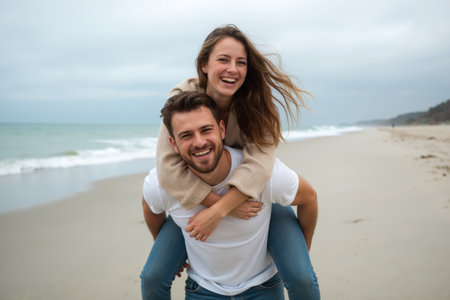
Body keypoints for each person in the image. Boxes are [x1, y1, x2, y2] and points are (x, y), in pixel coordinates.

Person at [141, 24, 320, 299]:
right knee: (152, 277)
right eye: (223, 59)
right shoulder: (182, 99)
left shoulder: (255, 105)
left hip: (252, 189)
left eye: (241, 63)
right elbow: (168, 168)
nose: (232, 69)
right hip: (197, 189)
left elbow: (260, 167)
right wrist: (217, 208)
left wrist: (223, 208)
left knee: (301, 276)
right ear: (204, 65)